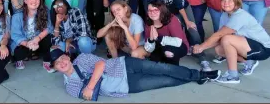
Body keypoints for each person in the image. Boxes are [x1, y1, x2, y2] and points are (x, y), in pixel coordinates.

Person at [50, 48, 221, 100]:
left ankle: (199, 75)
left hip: (124, 65)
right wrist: (89, 87)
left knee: (162, 68)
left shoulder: (81, 59)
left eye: (62, 59)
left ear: (67, 57)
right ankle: (195, 78)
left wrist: (90, 85)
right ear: (56, 69)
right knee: (165, 81)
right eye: (58, 64)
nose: (62, 63)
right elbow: (86, 96)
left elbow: (101, 64)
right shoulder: (69, 85)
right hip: (126, 85)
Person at [193, 0, 270, 84]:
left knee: (227, 39)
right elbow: (219, 37)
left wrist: (201, 47)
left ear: (236, 2)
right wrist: (202, 48)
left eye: (229, 0)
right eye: (223, 0)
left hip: (264, 49)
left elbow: (220, 35)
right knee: (219, 49)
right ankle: (249, 62)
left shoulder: (239, 15)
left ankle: (233, 76)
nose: (226, 3)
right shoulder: (225, 15)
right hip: (249, 45)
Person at [147, 0, 212, 71]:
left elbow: (179, 5)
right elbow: (153, 3)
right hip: (165, 10)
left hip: (182, 8)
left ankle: (202, 58)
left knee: (192, 28)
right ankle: (170, 52)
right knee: (170, 30)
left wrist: (187, 21)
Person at [10, 0, 54, 72]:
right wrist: (27, 44)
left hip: (37, 41)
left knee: (48, 37)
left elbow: (49, 28)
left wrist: (37, 39)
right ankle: (19, 60)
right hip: (25, 42)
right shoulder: (17, 15)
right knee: (19, 52)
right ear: (25, 1)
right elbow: (15, 35)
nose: (34, 1)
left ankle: (46, 61)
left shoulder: (45, 11)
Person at [134, 1, 189, 65]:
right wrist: (151, 40)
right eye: (150, 10)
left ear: (162, 10)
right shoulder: (149, 23)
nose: (152, 13)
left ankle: (175, 71)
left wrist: (158, 38)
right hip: (160, 46)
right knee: (154, 59)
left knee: (168, 53)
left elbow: (178, 42)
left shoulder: (171, 19)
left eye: (156, 10)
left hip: (180, 45)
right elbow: (148, 49)